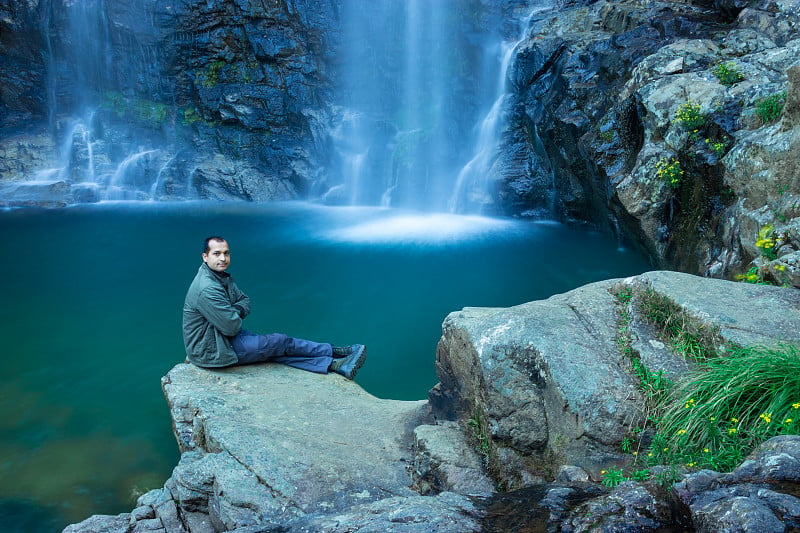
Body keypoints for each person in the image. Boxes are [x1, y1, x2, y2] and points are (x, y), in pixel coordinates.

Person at [182, 236, 366, 379]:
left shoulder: (219, 276)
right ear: (205, 257)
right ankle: (333, 357)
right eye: (217, 253)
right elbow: (232, 326)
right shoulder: (207, 287)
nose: (223, 258)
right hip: (213, 350)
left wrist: (233, 312)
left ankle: (334, 361)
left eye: (226, 253)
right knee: (278, 342)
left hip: (221, 338)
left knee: (275, 346)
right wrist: (233, 314)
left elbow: (244, 300)